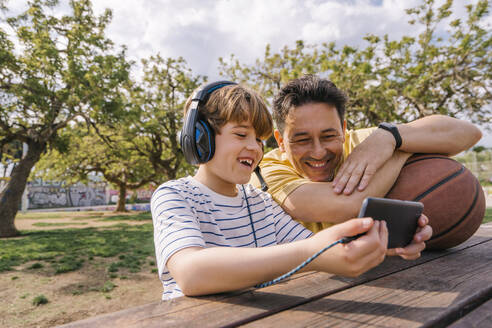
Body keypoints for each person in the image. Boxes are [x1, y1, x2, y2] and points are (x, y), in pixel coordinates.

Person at [151, 81, 393, 300]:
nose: (254, 148)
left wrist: (380, 242)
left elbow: (322, 248)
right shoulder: (175, 195)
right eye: (241, 134)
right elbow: (192, 273)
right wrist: (312, 251)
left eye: (259, 139)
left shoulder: (261, 203)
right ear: (200, 138)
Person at [251, 74, 481, 258]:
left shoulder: (369, 142)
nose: (318, 151)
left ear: (343, 128)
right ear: (280, 141)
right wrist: (401, 150)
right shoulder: (266, 171)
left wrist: (392, 135)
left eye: (329, 136)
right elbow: (348, 205)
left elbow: (469, 133)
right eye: (302, 140)